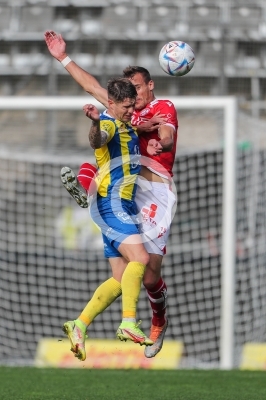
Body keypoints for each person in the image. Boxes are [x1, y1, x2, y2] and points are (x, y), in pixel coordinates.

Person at [44, 31, 178, 359]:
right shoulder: (120, 114)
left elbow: (167, 133)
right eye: (127, 92)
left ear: (149, 86)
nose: (132, 96)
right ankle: (130, 321)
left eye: (136, 89)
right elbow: (91, 90)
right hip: (119, 199)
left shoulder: (160, 107)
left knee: (135, 277)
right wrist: (64, 57)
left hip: (153, 194)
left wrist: (161, 139)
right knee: (141, 264)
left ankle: (90, 322)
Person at [62, 77, 154, 361]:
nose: (130, 110)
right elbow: (97, 139)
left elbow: (95, 88)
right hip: (112, 204)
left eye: (131, 105)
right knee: (141, 259)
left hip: (117, 205)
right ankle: (128, 322)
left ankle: (79, 325)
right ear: (111, 104)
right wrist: (93, 122)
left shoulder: (125, 122)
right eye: (125, 106)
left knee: (119, 277)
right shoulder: (110, 122)